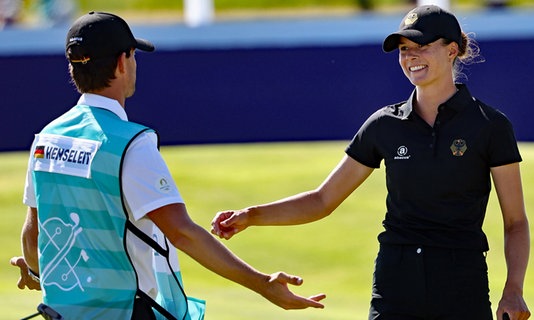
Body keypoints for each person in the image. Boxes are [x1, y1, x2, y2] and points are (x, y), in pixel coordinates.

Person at [212, 5, 530, 320]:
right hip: (395, 284)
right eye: (404, 49)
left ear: (451, 51)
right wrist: (249, 216)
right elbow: (323, 199)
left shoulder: (490, 126)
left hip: (461, 283)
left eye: (421, 47)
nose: (410, 57)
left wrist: (513, 288)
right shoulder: (384, 125)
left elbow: (515, 221)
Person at [10, 11, 325, 319]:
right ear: (122, 63)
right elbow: (183, 233)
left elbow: (32, 234)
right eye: (133, 56)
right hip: (125, 311)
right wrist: (263, 285)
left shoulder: (47, 138)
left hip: (60, 313)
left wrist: (37, 274)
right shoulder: (133, 144)